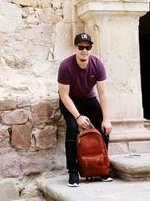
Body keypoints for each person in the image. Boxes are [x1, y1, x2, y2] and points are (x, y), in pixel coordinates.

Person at [57, 33, 113, 187]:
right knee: (73, 129)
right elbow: (64, 95)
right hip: (70, 101)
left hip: (88, 99)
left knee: (104, 128)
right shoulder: (66, 66)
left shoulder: (97, 64)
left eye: (88, 47)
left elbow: (103, 92)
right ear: (74, 48)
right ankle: (73, 171)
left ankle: (102, 168)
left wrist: (106, 119)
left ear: (91, 49)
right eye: (81, 47)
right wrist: (78, 117)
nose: (84, 50)